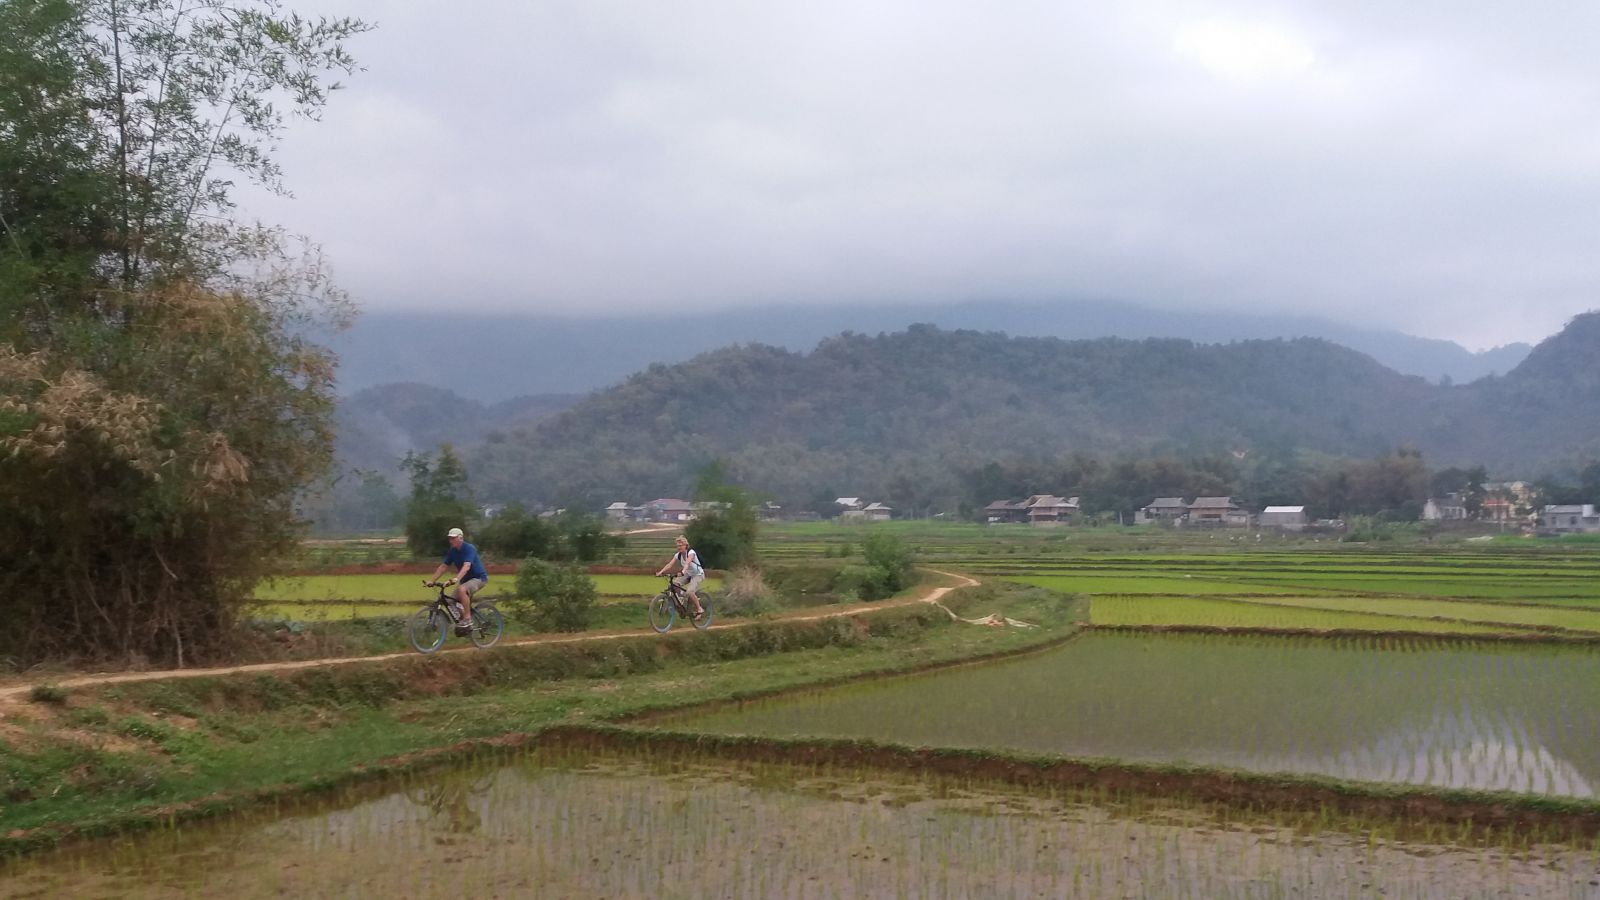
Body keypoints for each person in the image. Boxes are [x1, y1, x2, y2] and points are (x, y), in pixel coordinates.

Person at [426, 527, 488, 634]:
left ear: (460, 538)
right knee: (450, 601)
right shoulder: (452, 551)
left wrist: (456, 578)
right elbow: (443, 566)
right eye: (450, 538)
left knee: (462, 589)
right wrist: (432, 580)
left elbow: (466, 566)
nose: (451, 541)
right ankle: (463, 625)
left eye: (453, 538)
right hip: (465, 580)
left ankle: (468, 619)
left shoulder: (469, 548)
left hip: (478, 578)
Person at [655, 534, 706, 621]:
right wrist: (661, 572)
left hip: (697, 574)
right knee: (674, 585)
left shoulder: (691, 552)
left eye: (681, 545)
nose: (679, 547)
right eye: (677, 546)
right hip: (688, 574)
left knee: (690, 592)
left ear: (685, 545)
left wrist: (683, 571)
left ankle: (699, 609)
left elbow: (687, 563)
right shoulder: (678, 555)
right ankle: (680, 601)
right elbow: (670, 565)